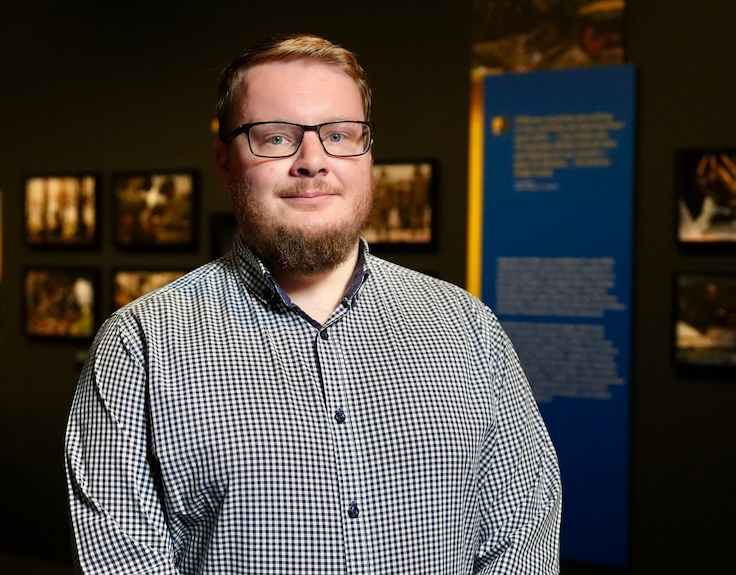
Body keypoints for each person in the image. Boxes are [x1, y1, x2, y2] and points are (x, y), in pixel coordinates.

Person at [65, 32, 562, 574]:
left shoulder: (468, 330)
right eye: (275, 138)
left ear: (368, 153)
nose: (312, 161)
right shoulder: (140, 345)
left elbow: (522, 540)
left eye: (340, 135)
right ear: (225, 161)